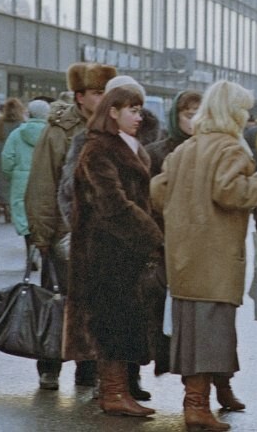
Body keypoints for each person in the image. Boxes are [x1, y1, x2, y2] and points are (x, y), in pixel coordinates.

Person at [151, 80, 257, 432]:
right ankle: (197, 407)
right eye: (242, 109)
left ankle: (194, 402)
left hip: (184, 256)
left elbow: (158, 191)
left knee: (190, 332)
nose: (246, 116)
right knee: (212, 333)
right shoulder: (230, 149)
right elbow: (230, 192)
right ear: (232, 112)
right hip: (214, 258)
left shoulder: (186, 148)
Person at [65, 85, 164, 418]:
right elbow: (112, 203)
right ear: (112, 112)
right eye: (132, 110)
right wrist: (154, 234)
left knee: (122, 320)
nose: (139, 117)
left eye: (139, 110)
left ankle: (119, 390)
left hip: (123, 251)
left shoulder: (128, 147)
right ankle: (113, 392)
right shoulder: (98, 149)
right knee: (110, 321)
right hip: (104, 252)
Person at [25, 62, 116, 390]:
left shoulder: (112, 125)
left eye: (106, 91)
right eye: (96, 92)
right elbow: (41, 183)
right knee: (57, 300)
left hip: (101, 233)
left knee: (95, 302)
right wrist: (43, 232)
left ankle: (88, 366)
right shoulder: (60, 130)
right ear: (80, 96)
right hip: (65, 231)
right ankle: (50, 363)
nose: (103, 98)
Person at [1, 100, 49, 270]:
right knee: (44, 214)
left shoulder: (17, 134)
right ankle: (45, 253)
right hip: (45, 178)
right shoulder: (51, 134)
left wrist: (13, 175)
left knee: (24, 216)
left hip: (21, 179)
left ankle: (30, 251)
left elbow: (7, 159)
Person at [145, 90, 202, 176]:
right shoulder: (154, 153)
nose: (194, 121)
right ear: (176, 117)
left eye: (199, 116)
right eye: (189, 116)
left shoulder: (207, 151)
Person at [0, 97, 27, 224]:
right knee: (17, 185)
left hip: (0, 158)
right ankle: (15, 210)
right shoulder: (23, 124)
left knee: (3, 184)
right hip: (19, 158)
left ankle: (6, 208)